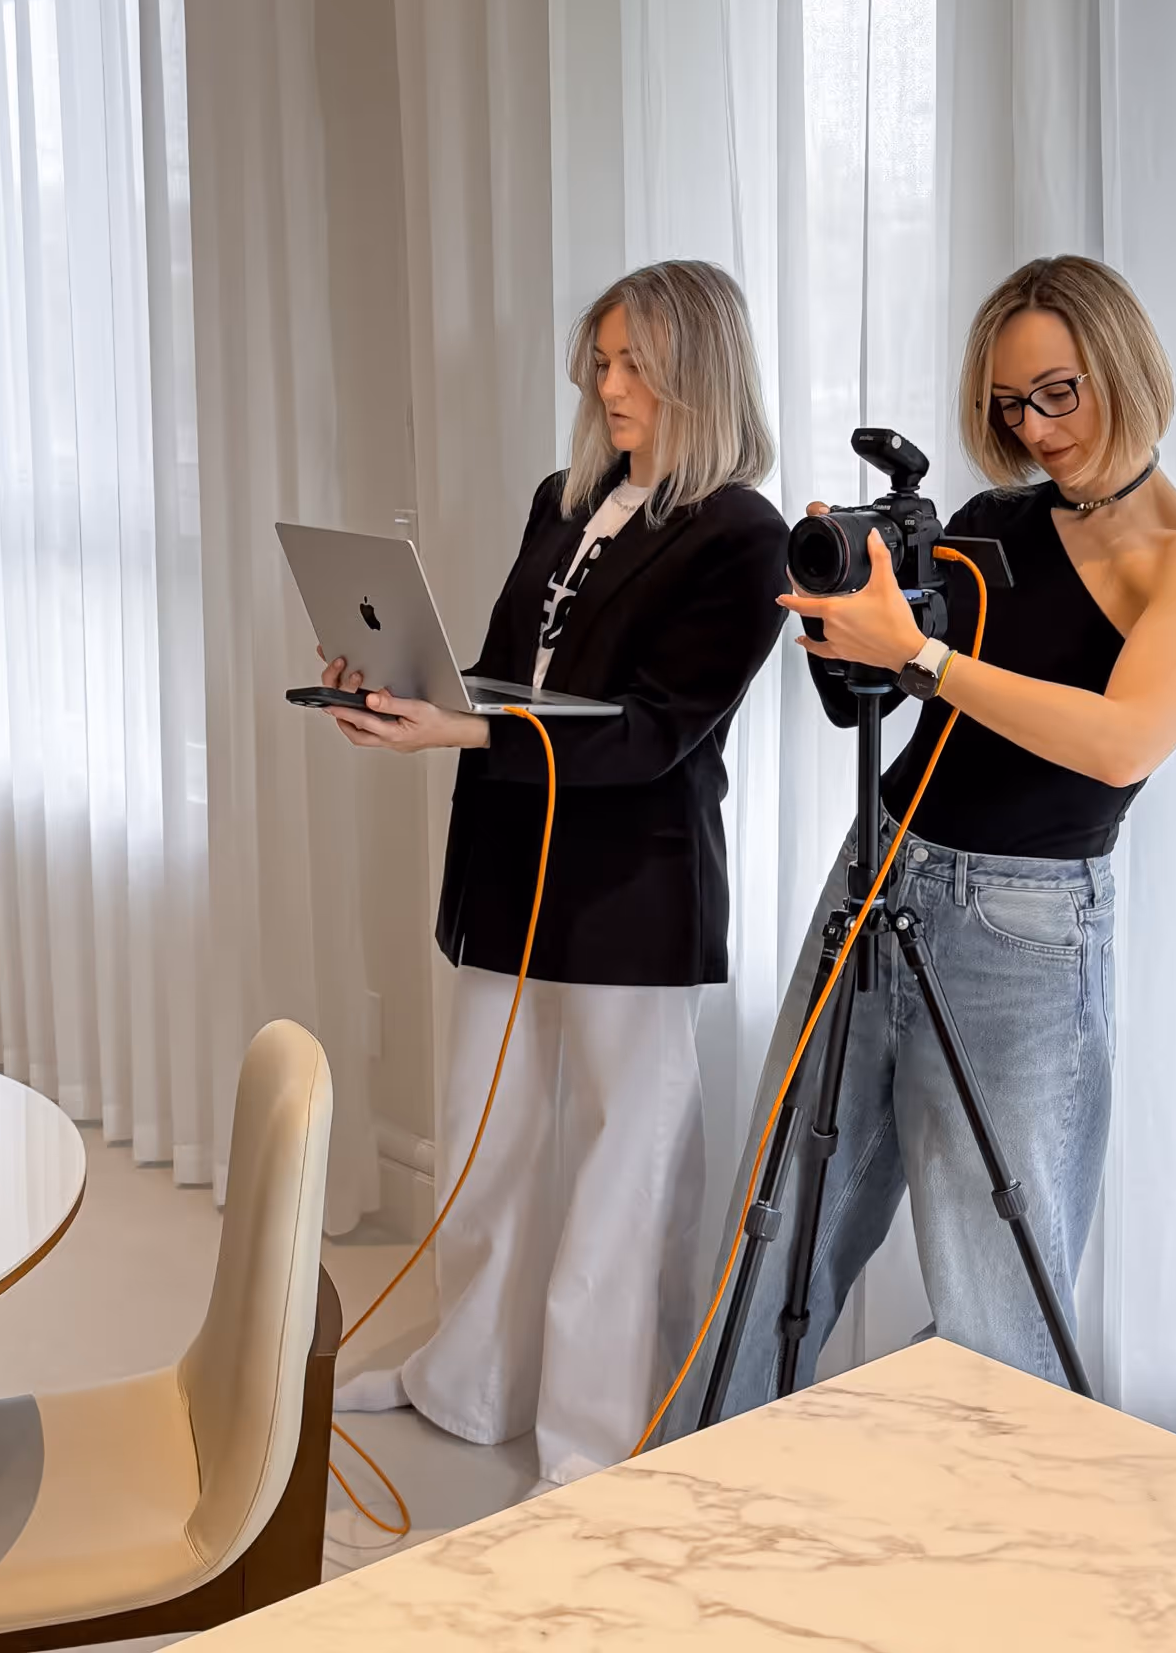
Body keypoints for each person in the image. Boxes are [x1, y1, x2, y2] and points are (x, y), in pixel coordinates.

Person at [662, 254, 1176, 1436]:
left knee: (993, 1314)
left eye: (1058, 392)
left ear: (1125, 365)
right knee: (771, 1242)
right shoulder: (990, 521)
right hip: (876, 870)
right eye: (1011, 405)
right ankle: (684, 1546)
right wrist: (846, 635)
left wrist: (922, 655)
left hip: (1020, 938)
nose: (1038, 427)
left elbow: (1122, 741)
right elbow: (872, 699)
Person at [320, 260, 788, 1486]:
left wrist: (465, 730)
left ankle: (594, 1439)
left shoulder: (742, 531)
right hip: (509, 865)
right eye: (602, 359)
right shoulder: (564, 495)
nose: (608, 382)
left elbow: (658, 725)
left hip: (635, 887)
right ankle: (467, 1379)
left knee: (624, 1165)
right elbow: (498, 668)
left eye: (636, 362)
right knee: (495, 1138)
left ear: (701, 368)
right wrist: (399, 684)